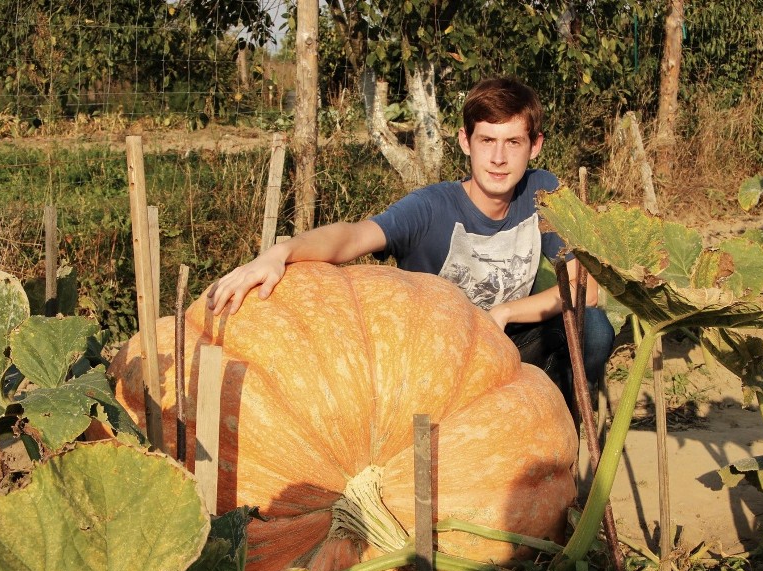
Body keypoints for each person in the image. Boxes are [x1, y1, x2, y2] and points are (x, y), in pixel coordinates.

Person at [207, 76, 614, 405]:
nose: (498, 158)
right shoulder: (431, 208)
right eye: (486, 141)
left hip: (512, 342)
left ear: (535, 145)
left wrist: (505, 313)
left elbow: (585, 288)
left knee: (592, 329)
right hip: (438, 364)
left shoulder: (543, 193)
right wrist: (282, 252)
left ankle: (553, 433)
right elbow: (352, 237)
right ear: (464, 141)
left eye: (513, 142)